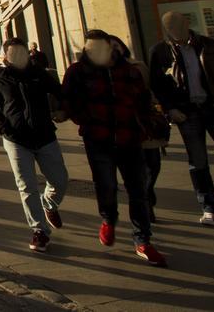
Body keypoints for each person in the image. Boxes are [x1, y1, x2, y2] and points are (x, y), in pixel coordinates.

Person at [62, 30, 166, 267]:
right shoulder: (78, 72)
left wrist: (147, 124)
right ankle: (109, 218)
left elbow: (142, 100)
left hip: (130, 137)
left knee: (137, 190)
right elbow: (68, 100)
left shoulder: (129, 71)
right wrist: (85, 120)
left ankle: (143, 240)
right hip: (98, 139)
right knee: (106, 185)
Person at [0, 38, 68, 253]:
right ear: (5, 56)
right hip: (16, 138)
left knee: (59, 180)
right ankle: (39, 230)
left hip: (44, 134)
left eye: (22, 52)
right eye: (14, 53)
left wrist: (61, 110)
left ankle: (49, 203)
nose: (19, 57)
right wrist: (3, 128)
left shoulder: (39, 73)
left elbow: (60, 92)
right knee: (26, 185)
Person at [149, 11, 214, 226]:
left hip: (213, 106)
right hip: (186, 112)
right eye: (170, 26)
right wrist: (170, 108)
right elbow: (157, 84)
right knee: (197, 160)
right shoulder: (160, 51)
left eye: (179, 24)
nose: (175, 30)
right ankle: (209, 207)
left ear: (187, 23)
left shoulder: (209, 45)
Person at [111, 34, 169, 223]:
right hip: (126, 126)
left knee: (154, 165)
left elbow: (150, 89)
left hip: (145, 121)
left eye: (117, 45)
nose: (115, 49)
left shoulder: (139, 66)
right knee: (139, 169)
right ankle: (144, 203)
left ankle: (146, 195)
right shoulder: (105, 71)